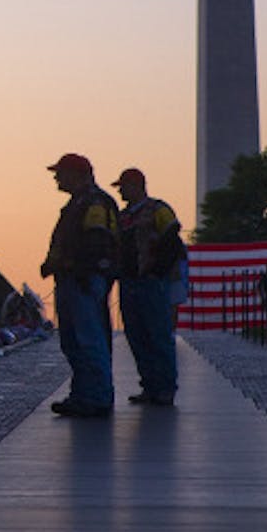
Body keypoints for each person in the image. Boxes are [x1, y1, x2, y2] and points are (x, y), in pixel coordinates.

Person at [41, 153, 118, 417]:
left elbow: (97, 242)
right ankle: (83, 394)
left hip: (83, 280)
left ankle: (96, 397)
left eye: (60, 173)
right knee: (73, 341)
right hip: (72, 279)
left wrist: (78, 268)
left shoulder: (94, 202)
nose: (56, 178)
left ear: (76, 174)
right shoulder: (80, 203)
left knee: (89, 340)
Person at [112, 167, 185, 406]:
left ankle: (165, 387)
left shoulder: (159, 210)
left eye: (123, 186)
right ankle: (149, 385)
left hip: (152, 283)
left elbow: (172, 240)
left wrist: (157, 270)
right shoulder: (122, 217)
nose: (120, 191)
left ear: (137, 185)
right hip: (129, 282)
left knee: (158, 335)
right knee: (136, 336)